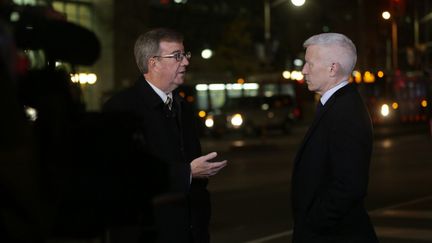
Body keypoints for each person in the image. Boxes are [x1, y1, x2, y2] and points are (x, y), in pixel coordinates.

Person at [103, 28, 227, 243]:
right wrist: (187, 173)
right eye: (177, 56)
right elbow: (123, 177)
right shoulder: (121, 109)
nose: (186, 62)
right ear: (154, 63)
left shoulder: (182, 106)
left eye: (185, 54)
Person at [291, 33, 378, 243]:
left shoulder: (345, 112)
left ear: (332, 68)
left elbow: (349, 187)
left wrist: (312, 226)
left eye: (309, 64)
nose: (303, 70)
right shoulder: (337, 105)